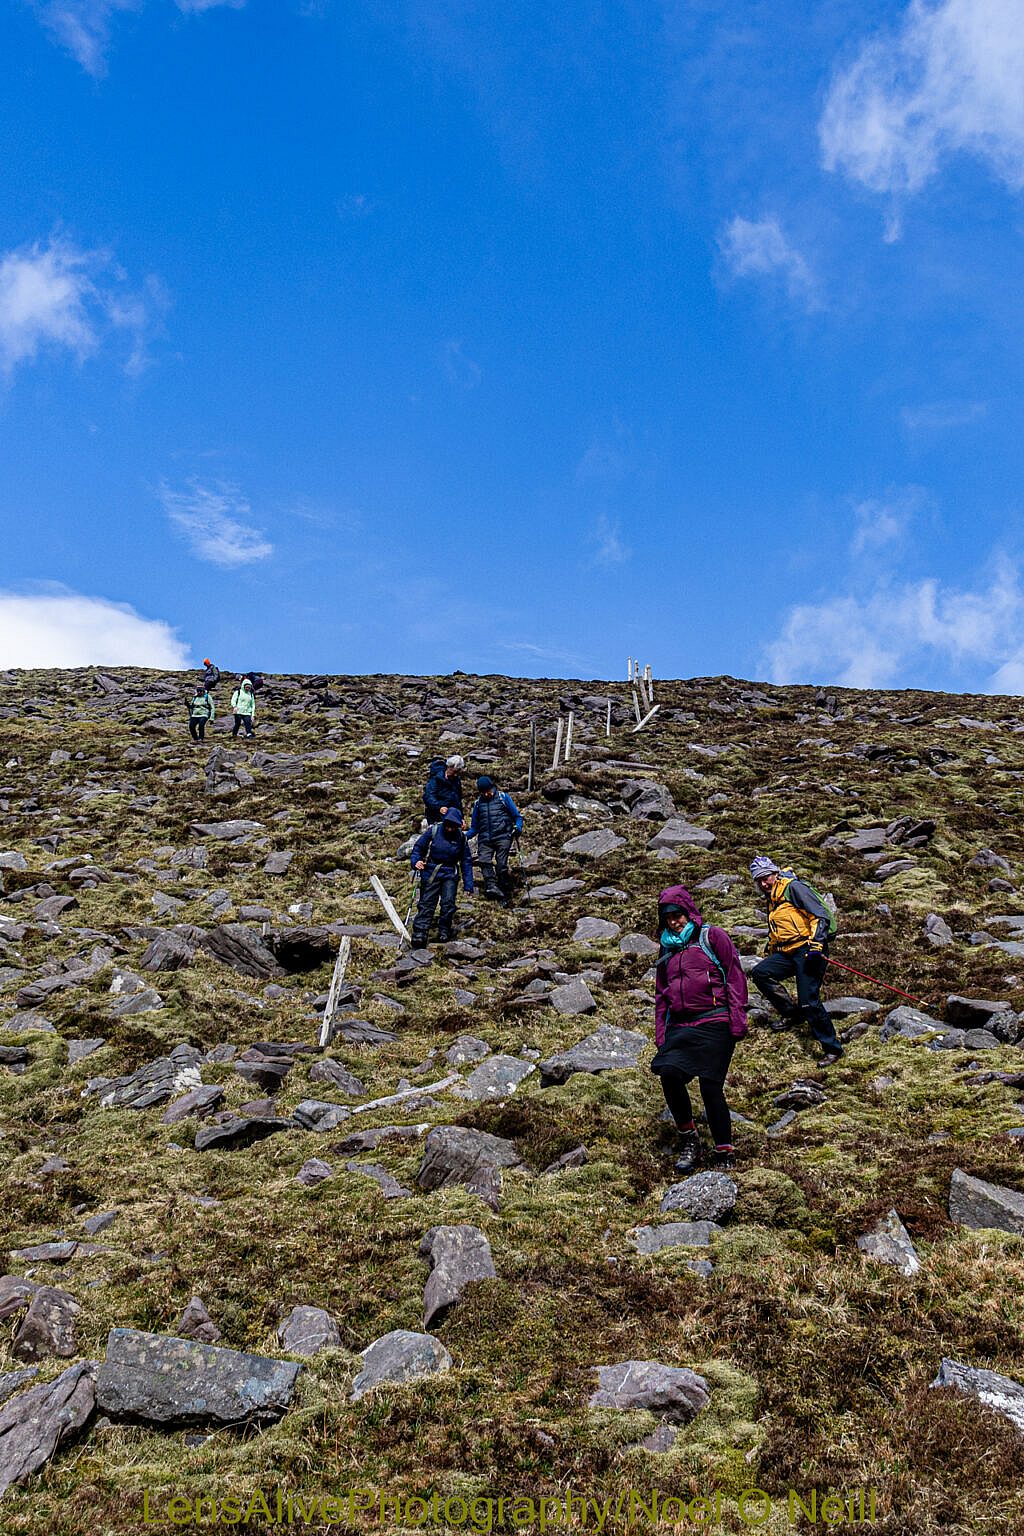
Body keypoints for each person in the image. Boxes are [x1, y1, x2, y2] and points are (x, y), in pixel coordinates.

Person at [650, 885, 749, 1172]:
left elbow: (734, 975)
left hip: (715, 1021)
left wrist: (737, 1018)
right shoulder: (666, 949)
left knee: (709, 1085)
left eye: (678, 915)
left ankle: (724, 1151)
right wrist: (661, 1032)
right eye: (667, 917)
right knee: (669, 1073)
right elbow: (661, 995)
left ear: (689, 912)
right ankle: (689, 1138)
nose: (673, 922)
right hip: (681, 1025)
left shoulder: (712, 936)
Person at [748, 855, 843, 1065]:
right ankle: (792, 1014)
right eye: (759, 880)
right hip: (787, 951)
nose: (764, 882)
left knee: (809, 1000)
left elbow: (820, 916)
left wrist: (817, 945)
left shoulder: (794, 888)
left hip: (809, 949)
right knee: (761, 973)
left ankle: (832, 1049)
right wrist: (771, 947)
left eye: (767, 877)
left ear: (775, 873)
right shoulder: (772, 897)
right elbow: (780, 926)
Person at [409, 810, 474, 946]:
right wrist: (416, 861)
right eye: (448, 825)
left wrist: (469, 884)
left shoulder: (461, 838)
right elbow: (418, 848)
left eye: (453, 826)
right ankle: (420, 934)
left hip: (450, 872)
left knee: (448, 903)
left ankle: (444, 931)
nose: (449, 829)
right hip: (431, 871)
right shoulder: (434, 831)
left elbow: (466, 861)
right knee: (427, 902)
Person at [469, 775, 523, 905]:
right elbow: (474, 827)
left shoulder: (503, 798)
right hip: (485, 839)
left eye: (489, 790)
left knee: (501, 865)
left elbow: (517, 816)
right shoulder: (478, 804)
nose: (487, 794)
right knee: (484, 861)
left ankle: (505, 892)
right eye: (484, 792)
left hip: (503, 836)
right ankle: (492, 887)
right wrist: (463, 836)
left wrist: (518, 828)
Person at [423, 754, 465, 824]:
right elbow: (428, 797)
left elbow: (458, 801)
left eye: (458, 772)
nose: (456, 775)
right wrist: (439, 807)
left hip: (451, 818)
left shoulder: (457, 781)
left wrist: (461, 818)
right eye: (454, 771)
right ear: (449, 767)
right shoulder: (436, 779)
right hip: (435, 817)